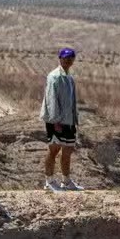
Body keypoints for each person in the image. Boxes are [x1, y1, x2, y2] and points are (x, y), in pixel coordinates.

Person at [41, 47, 81, 191]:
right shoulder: (54, 76)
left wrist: (74, 119)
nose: (68, 60)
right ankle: (50, 181)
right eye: (65, 58)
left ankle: (66, 181)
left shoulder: (69, 77)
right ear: (60, 59)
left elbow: (72, 100)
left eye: (71, 58)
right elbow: (51, 99)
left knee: (68, 149)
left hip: (68, 120)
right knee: (54, 149)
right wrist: (55, 120)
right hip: (56, 120)